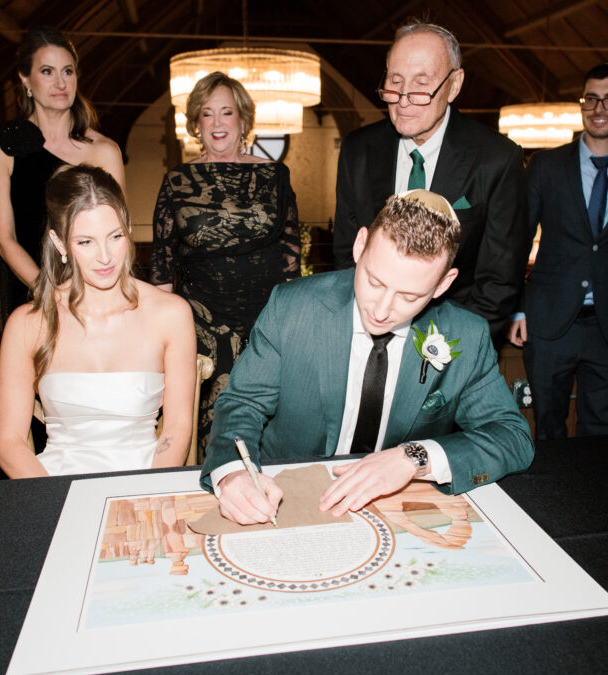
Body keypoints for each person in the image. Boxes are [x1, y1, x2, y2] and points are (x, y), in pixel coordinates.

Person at [201, 190, 534, 525]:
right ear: (360, 246)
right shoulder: (291, 308)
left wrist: (413, 457)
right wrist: (233, 474)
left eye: (409, 296)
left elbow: (512, 437)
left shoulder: (465, 334)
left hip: (396, 508)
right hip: (286, 498)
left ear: (443, 285)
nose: (382, 309)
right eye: (375, 281)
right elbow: (243, 403)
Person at [0, 165, 196, 477]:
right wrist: (55, 501)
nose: (105, 257)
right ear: (59, 243)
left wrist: (150, 495)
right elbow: (9, 442)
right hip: (54, 485)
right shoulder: (28, 323)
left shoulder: (170, 313)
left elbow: (176, 428)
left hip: (145, 481)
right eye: (85, 242)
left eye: (115, 236)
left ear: (128, 228)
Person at [332, 21, 528, 342]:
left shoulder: (497, 159)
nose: (403, 99)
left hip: (452, 337)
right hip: (368, 330)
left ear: (454, 85)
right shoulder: (357, 149)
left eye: (422, 85)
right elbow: (346, 255)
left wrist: (449, 352)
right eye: (395, 82)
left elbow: (498, 280)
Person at [507, 62, 608, 440]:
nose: (599, 108)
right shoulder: (546, 165)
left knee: (604, 429)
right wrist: (516, 306)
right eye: (591, 99)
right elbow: (517, 241)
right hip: (548, 322)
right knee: (547, 425)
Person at [151, 71, 300, 460]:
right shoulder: (177, 180)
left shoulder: (275, 176)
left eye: (226, 112)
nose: (217, 123)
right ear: (196, 123)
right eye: (207, 114)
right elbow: (162, 266)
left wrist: (293, 326)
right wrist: (156, 342)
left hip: (266, 323)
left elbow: (290, 256)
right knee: (206, 425)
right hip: (199, 325)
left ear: (243, 119)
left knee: (268, 422)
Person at [0, 26, 125, 326]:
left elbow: (117, 234)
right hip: (32, 294)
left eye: (68, 71)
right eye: (47, 71)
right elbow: (4, 239)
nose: (60, 82)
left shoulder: (105, 150)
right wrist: (51, 296)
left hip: (98, 292)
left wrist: (89, 296)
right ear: (25, 78)